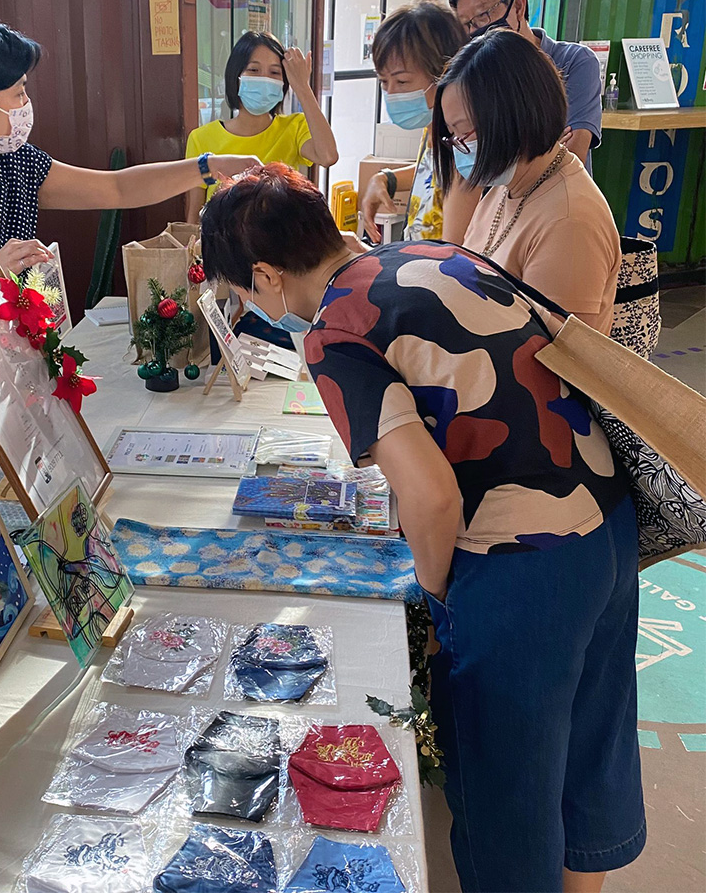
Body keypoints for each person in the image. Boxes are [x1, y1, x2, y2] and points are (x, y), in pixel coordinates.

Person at [199, 162, 644, 893]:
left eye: (244, 290)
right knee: (586, 758)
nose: (251, 306)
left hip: (521, 566)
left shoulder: (335, 330)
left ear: (267, 275)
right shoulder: (436, 252)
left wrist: (439, 601)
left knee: (508, 795)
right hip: (605, 525)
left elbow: (432, 499)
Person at [0, 14, 260, 474]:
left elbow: (115, 189)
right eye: (18, 93)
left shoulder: (10, 161)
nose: (26, 104)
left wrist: (206, 165)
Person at [433, 29, 621, 333]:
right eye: (452, 135)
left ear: (513, 117)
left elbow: (552, 358)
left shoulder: (569, 221)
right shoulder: (508, 185)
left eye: (463, 133)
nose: (458, 146)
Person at [449, 0, 602, 172]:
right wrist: (541, 145)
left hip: (558, 201)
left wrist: (502, 148)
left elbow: (568, 159)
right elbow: (470, 156)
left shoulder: (575, 62)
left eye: (482, 15)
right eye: (465, 24)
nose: (474, 32)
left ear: (518, 6)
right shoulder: (474, 73)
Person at [184, 30, 338, 222]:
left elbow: (328, 156)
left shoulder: (295, 127)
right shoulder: (201, 138)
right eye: (254, 70)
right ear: (236, 76)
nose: (265, 79)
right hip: (225, 249)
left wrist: (302, 87)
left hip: (284, 248)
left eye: (274, 72)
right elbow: (194, 217)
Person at [359, 0, 479, 244]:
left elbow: (452, 255)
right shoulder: (434, 127)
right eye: (384, 82)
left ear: (444, 71)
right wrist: (385, 178)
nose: (391, 93)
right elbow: (432, 172)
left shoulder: (465, 146)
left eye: (402, 81)